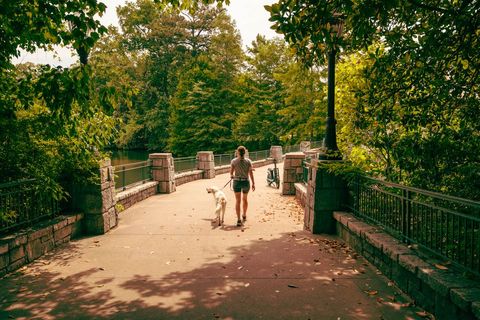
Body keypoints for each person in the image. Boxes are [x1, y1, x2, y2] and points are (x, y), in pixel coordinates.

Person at [230, 146, 255, 226]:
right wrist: (253, 183)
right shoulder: (248, 161)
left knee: (238, 201)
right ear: (245, 152)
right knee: (245, 199)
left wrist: (232, 176)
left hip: (237, 182)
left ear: (237, 152)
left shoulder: (233, 161)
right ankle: (244, 214)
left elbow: (231, 173)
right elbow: (251, 173)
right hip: (245, 182)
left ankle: (238, 219)